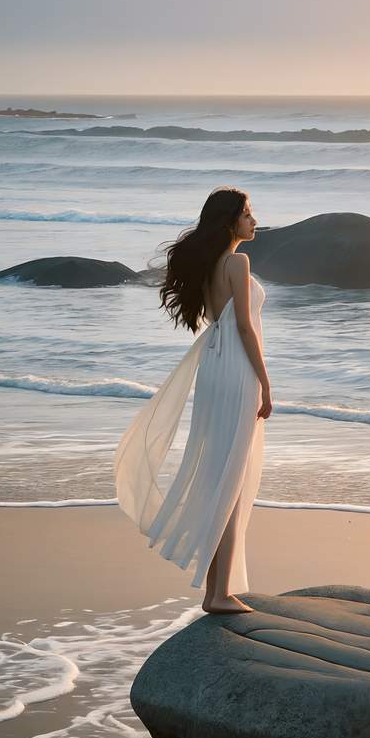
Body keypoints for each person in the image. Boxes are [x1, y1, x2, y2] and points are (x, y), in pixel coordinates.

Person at [114, 186, 272, 615]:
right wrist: (266, 381)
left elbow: (223, 324)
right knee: (231, 480)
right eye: (248, 214)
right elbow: (244, 327)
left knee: (221, 475)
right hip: (237, 370)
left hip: (215, 370)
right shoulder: (238, 261)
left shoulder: (209, 265)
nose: (254, 221)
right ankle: (219, 594)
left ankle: (214, 590)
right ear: (229, 222)